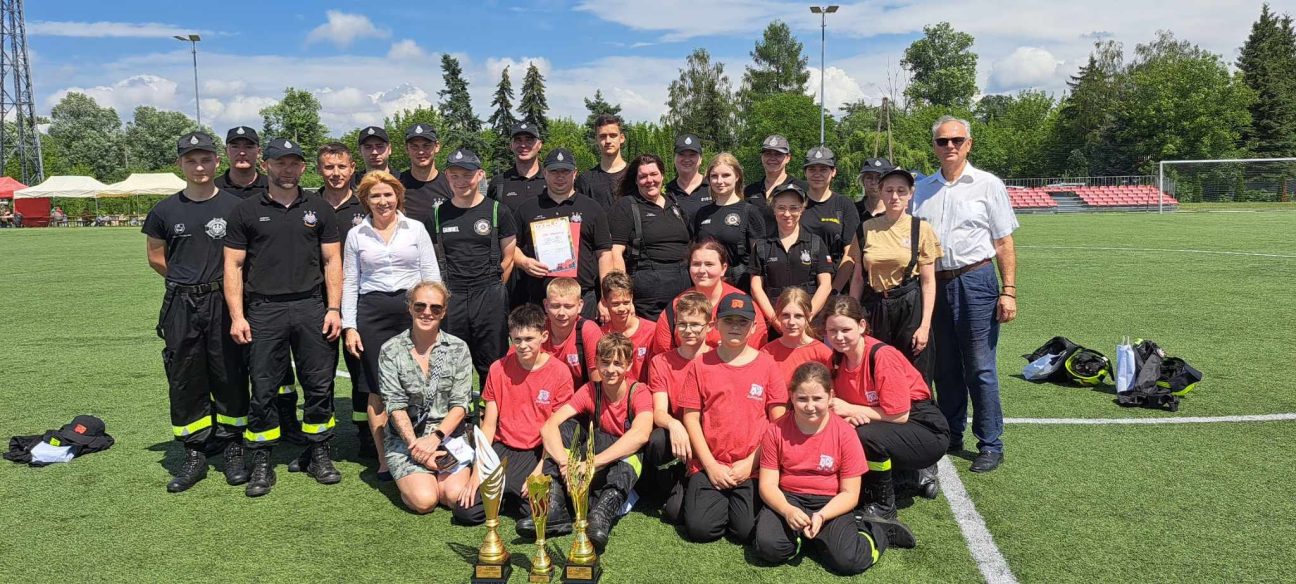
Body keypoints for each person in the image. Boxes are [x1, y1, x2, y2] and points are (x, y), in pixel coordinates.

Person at [223, 137, 344, 497]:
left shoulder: (319, 208)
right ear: (266, 165)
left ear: (303, 167)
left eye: (293, 163)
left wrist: (334, 308)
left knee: (319, 384)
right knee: (263, 388)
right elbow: (233, 265)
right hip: (263, 309)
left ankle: (319, 450)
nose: (286, 170)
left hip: (311, 306)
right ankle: (262, 458)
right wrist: (237, 315)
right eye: (279, 163)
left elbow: (332, 261)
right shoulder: (245, 210)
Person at [142, 131, 249, 492]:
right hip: (181, 303)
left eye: (205, 159)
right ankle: (195, 452)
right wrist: (187, 282)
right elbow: (156, 256)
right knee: (184, 375)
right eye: (191, 160)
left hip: (224, 300)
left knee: (229, 371)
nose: (199, 166)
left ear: (217, 162)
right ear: (181, 165)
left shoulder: (235, 206)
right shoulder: (165, 210)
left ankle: (233, 445)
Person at [912, 115, 1018, 473]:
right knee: (945, 369)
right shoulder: (922, 189)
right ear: (935, 147)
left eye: (957, 140)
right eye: (943, 141)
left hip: (976, 280)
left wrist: (1009, 291)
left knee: (980, 366)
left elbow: (1003, 242)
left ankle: (990, 443)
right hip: (935, 284)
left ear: (969, 144)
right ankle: (951, 434)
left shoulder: (988, 184)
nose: (950, 146)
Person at [753, 361, 912, 574]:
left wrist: (822, 515)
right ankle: (808, 537)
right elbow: (768, 485)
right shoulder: (775, 431)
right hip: (790, 497)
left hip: (830, 501)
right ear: (791, 397)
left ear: (830, 396)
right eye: (802, 399)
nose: (810, 406)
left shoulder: (845, 433)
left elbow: (850, 493)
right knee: (769, 548)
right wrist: (788, 511)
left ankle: (877, 531)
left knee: (848, 561)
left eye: (817, 398)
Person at [341, 169, 441, 479]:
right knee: (379, 389)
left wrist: (434, 315)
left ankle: (421, 449)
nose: (383, 201)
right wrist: (350, 325)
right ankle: (385, 459)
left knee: (421, 383)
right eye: (375, 196)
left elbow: (431, 274)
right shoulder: (356, 235)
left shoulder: (416, 229)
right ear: (365, 200)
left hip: (412, 312)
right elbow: (351, 282)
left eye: (388, 194)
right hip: (372, 315)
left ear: (398, 196)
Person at [822, 295, 949, 533]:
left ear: (861, 326)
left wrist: (852, 410)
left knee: (865, 436)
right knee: (851, 432)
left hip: (923, 426)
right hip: (886, 425)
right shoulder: (837, 360)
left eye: (845, 329)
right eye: (832, 330)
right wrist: (850, 416)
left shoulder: (881, 355)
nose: (838, 337)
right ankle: (911, 476)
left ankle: (883, 506)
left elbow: (900, 414)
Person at [454, 304, 575, 533]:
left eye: (529, 338)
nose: (523, 345)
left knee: (539, 516)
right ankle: (509, 493)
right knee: (465, 511)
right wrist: (475, 473)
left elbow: (557, 429)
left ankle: (512, 493)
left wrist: (541, 469)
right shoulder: (498, 369)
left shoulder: (560, 372)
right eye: (517, 339)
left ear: (544, 336)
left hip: (536, 451)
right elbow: (488, 426)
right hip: (503, 448)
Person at [679, 292, 787, 544]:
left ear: (753, 327)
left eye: (742, 321)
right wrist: (710, 465)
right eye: (729, 321)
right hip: (710, 463)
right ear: (716, 325)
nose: (735, 327)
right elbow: (691, 419)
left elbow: (778, 424)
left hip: (751, 465)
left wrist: (751, 463)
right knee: (700, 530)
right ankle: (686, 487)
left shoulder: (767, 365)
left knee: (745, 531)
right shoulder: (700, 365)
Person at [539, 333, 654, 552]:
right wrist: (566, 463)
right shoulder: (591, 389)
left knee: (632, 451)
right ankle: (555, 507)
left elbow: (641, 434)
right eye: (605, 362)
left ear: (629, 365)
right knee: (565, 429)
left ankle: (602, 514)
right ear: (597, 363)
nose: (611, 369)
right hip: (589, 463)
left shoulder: (639, 392)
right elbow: (549, 426)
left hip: (616, 464)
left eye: (618, 363)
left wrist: (592, 463)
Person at [377, 281, 474, 514]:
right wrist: (417, 449)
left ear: (444, 311)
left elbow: (460, 405)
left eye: (435, 308)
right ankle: (414, 479)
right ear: (409, 308)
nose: (427, 313)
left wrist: (436, 438)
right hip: (407, 439)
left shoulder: (458, 348)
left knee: (453, 497)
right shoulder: (391, 350)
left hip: (448, 436)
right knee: (425, 501)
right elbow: (395, 406)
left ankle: (433, 477)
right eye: (420, 306)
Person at [430, 148, 518, 390]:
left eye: (467, 175)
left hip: (488, 293)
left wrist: (493, 288)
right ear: (447, 176)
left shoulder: (498, 210)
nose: (461, 182)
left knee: (492, 363)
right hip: (453, 294)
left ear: (480, 175)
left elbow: (509, 257)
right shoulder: (439, 214)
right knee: (452, 363)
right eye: (455, 175)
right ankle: (460, 421)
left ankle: (490, 420)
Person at [858, 167, 941, 383]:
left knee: (915, 372)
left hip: (909, 305)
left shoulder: (921, 229)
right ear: (881, 192)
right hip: (875, 304)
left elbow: (928, 281)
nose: (895, 197)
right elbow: (857, 277)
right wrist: (855, 314)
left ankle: (918, 415)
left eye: (901, 191)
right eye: (889, 190)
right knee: (877, 369)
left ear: (910, 194)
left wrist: (924, 325)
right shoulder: (866, 228)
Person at [512, 148, 613, 315]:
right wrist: (523, 262)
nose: (560, 176)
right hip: (541, 300)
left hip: (582, 299)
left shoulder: (592, 208)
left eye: (565, 171)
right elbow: (510, 247)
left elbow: (604, 254)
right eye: (554, 171)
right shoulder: (527, 209)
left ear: (575, 173)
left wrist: (605, 298)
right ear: (544, 173)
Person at [317, 143, 370, 454]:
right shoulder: (308, 206)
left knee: (360, 369)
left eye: (341, 167)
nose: (335, 173)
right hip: (318, 302)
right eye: (328, 167)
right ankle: (321, 440)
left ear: (352, 169)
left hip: (357, 301)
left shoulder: (366, 208)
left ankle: (365, 431)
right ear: (320, 170)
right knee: (320, 372)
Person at [644, 291, 712, 524]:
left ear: (709, 326)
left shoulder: (718, 359)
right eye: (682, 324)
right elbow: (659, 411)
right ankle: (668, 479)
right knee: (656, 440)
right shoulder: (661, 362)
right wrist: (675, 424)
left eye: (695, 324)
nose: (688, 330)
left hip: (709, 438)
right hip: (677, 438)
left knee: (678, 513)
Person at [608, 154, 692, 321]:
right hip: (649, 293)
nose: (649, 180)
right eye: (643, 176)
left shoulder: (675, 205)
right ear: (636, 180)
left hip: (684, 288)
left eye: (654, 174)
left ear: (663, 175)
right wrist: (623, 297)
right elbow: (615, 252)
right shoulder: (627, 206)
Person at [650, 239, 767, 354]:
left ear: (724, 268)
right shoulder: (677, 305)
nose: (701, 270)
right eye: (696, 264)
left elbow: (756, 347)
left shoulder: (743, 303)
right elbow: (663, 354)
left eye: (709, 264)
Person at [750, 184, 834, 329]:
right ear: (774, 209)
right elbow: (755, 287)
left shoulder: (815, 243)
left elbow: (825, 285)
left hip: (809, 323)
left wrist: (806, 316)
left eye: (793, 208)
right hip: (774, 322)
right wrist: (775, 320)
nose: (787, 214)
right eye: (781, 208)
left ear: (802, 209)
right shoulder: (762, 246)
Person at [692, 153, 764, 291]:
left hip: (739, 283)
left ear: (737, 176)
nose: (719, 181)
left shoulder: (749, 211)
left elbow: (759, 259)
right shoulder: (702, 213)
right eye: (714, 176)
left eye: (726, 175)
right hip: (706, 282)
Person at [801, 146, 861, 295]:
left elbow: (851, 254)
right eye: (812, 169)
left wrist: (833, 290)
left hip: (835, 283)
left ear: (833, 172)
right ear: (805, 172)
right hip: (800, 284)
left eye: (823, 169)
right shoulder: (796, 203)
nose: (817, 174)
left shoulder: (844, 204)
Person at [760, 287, 833, 385]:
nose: (791, 322)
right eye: (786, 315)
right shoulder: (767, 353)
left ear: (809, 316)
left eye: (798, 316)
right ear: (778, 316)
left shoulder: (823, 353)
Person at [539, 278, 603, 387]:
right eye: (555, 306)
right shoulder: (537, 329)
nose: (561, 313)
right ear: (546, 305)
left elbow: (597, 383)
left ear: (580, 306)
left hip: (580, 398)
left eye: (568, 306)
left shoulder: (588, 330)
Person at [743, 135, 807, 235]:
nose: (772, 158)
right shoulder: (750, 190)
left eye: (778, 154)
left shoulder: (802, 188)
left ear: (788, 158)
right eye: (768, 154)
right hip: (755, 249)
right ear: (762, 157)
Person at [600, 271, 655, 382]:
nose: (622, 309)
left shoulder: (652, 331)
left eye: (626, 302)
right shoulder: (600, 334)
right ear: (604, 302)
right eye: (616, 304)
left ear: (632, 299)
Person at [397, 124, 454, 229]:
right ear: (406, 149)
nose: (421, 151)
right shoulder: (396, 184)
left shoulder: (451, 184)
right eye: (415, 146)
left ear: (437, 147)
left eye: (426, 146)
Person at [487, 122, 547, 216]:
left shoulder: (552, 179)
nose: (523, 145)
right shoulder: (499, 183)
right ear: (511, 145)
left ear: (539, 145)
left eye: (529, 140)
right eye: (518, 140)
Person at [575, 114, 629, 211]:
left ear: (621, 138)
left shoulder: (635, 175)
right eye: (603, 136)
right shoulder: (585, 180)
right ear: (596, 139)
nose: (608, 141)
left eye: (613, 135)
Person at [214, 126, 269, 199]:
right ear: (226, 151)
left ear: (258, 152)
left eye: (248, 147)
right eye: (235, 147)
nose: (242, 153)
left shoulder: (272, 186)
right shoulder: (214, 188)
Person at [666, 134, 712, 218]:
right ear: (674, 158)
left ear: (701, 159)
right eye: (681, 154)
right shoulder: (666, 191)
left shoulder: (712, 187)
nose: (687, 159)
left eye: (692, 155)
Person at [854, 158, 894, 222]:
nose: (873, 182)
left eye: (879, 177)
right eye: (869, 178)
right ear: (863, 181)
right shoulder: (853, 210)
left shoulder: (895, 212)